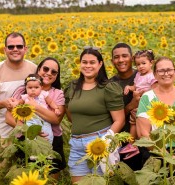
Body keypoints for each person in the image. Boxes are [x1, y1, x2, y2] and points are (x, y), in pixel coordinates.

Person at [64, 47, 125, 184]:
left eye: (92, 62)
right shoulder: (72, 87)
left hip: (99, 142)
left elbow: (119, 120)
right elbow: (71, 115)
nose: (88, 66)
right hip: (76, 144)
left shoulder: (108, 88)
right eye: (84, 62)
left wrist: (105, 141)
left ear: (100, 64)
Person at [0, 32, 37, 172]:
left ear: (26, 48)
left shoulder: (34, 69)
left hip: (28, 131)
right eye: (11, 47)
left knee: (26, 173)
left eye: (19, 46)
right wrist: (3, 103)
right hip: (1, 133)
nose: (15, 49)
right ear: (5, 49)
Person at [6, 57, 66, 179]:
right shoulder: (23, 91)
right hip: (26, 138)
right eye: (45, 68)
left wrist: (35, 106)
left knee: (50, 176)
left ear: (56, 76)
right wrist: (30, 131)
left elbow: (56, 119)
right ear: (38, 69)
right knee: (28, 175)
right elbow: (8, 117)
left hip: (52, 139)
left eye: (53, 72)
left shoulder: (58, 93)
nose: (49, 73)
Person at [110, 42, 150, 171]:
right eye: (117, 57)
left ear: (131, 58)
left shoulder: (143, 74)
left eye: (124, 56)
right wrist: (132, 105)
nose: (121, 60)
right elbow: (109, 117)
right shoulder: (110, 84)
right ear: (112, 61)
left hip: (148, 138)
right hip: (124, 140)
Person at [121, 49, 157, 158]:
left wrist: (142, 93)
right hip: (137, 103)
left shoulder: (152, 76)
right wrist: (129, 87)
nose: (140, 66)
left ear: (151, 63)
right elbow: (135, 87)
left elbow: (155, 90)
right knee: (133, 122)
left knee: (140, 123)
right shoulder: (138, 75)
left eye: (143, 63)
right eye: (137, 64)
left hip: (147, 104)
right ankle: (132, 144)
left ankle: (136, 144)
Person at [10, 73, 61, 144]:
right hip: (31, 120)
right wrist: (15, 104)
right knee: (31, 137)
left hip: (44, 120)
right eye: (30, 88)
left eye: (36, 87)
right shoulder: (25, 97)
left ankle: (48, 146)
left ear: (41, 87)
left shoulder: (43, 94)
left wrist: (56, 108)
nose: (33, 90)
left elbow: (51, 102)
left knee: (47, 134)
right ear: (26, 88)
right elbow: (19, 103)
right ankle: (32, 147)